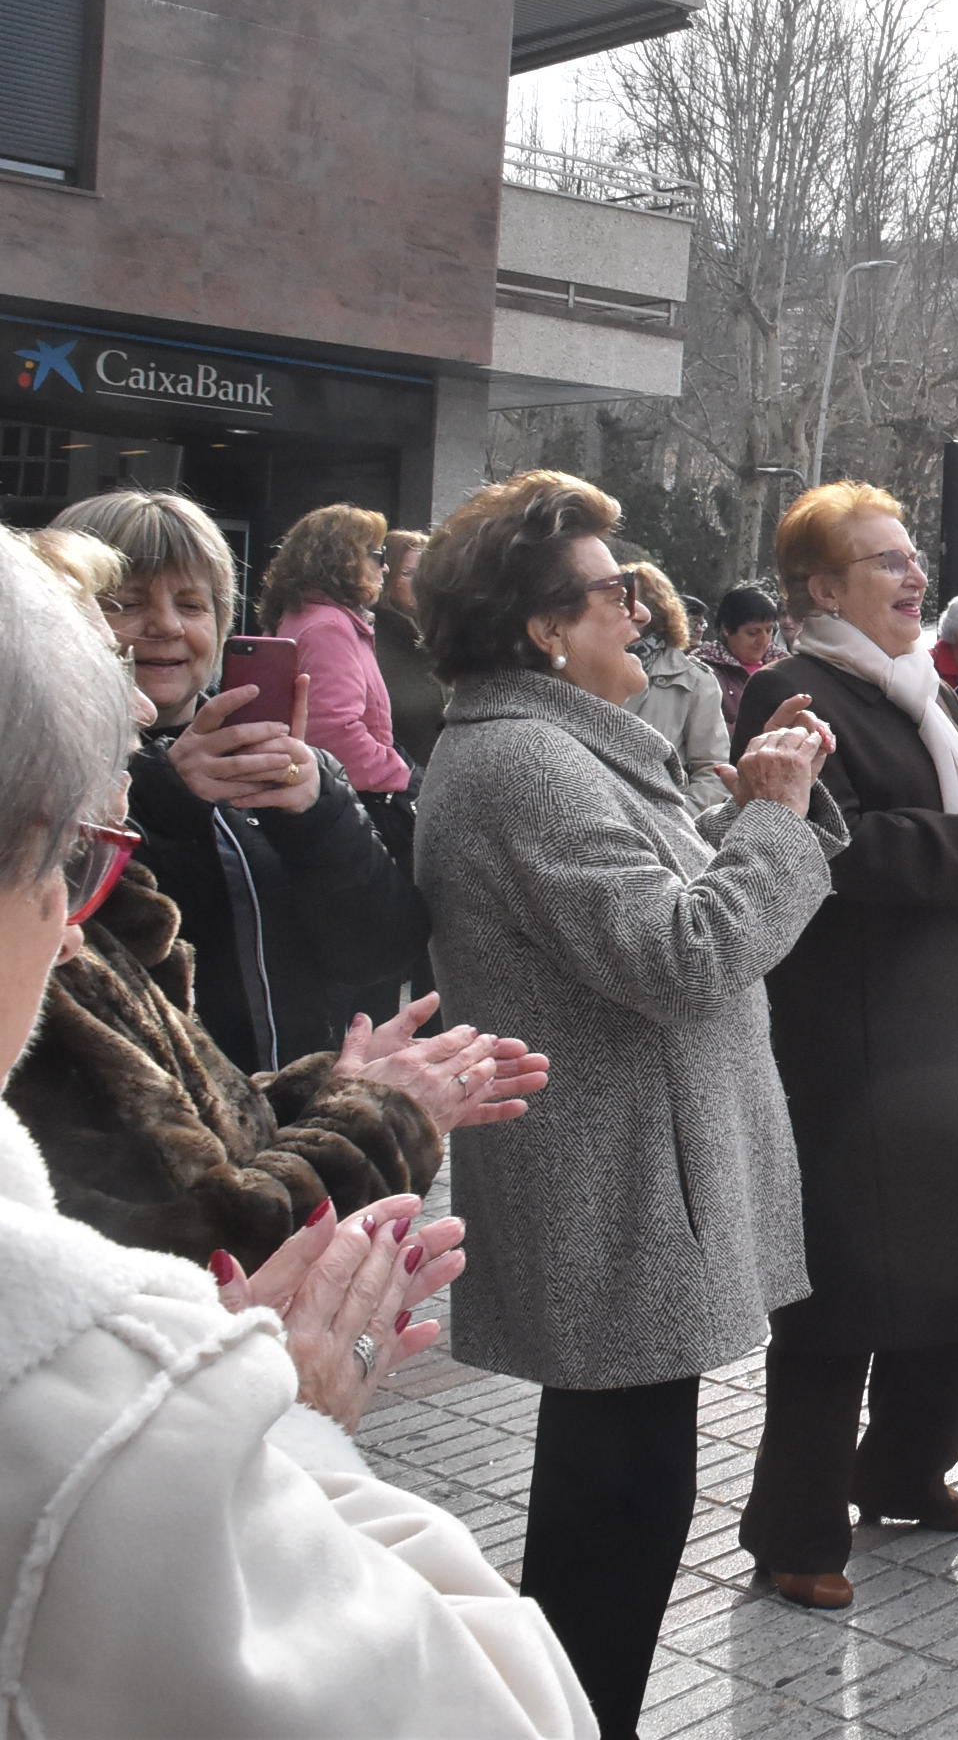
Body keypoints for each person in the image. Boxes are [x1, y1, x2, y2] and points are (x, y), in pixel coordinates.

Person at [0, 525, 594, 1738]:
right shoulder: (87, 1384)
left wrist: (332, 1081)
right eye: (74, 859)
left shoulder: (230, 779)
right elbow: (491, 1706)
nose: (73, 928)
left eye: (188, 601)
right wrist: (283, 1417)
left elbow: (342, 957)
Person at [414, 468, 844, 1736]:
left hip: (636, 1170)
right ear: (543, 625)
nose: (644, 617)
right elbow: (676, 951)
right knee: (614, 1514)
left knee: (621, 1493)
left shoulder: (553, 747)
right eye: (613, 594)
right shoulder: (527, 763)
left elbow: (637, 905)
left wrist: (741, 804)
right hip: (613, 1182)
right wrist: (769, 818)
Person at [732, 483, 958, 1607]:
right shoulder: (793, 689)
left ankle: (908, 1472)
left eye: (910, 554)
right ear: (821, 588)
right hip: (854, 1034)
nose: (909, 573)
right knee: (842, 1294)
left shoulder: (923, 688)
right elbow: (820, 847)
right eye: (880, 560)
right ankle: (793, 1527)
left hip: (954, 1018)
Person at [59, 487, 429, 1074]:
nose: (165, 625)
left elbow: (380, 954)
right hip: (146, 1138)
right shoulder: (38, 768)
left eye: (192, 604)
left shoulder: (289, 764)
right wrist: (164, 793)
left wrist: (319, 816)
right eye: (126, 602)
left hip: (287, 1121)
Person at [258, 503, 414, 834]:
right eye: (378, 554)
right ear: (343, 560)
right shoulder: (328, 626)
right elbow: (333, 733)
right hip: (354, 803)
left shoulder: (304, 615)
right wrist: (404, 778)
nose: (384, 568)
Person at [622, 565, 733, 812]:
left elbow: (713, 770)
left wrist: (679, 819)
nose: (622, 610)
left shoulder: (695, 680)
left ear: (654, 612)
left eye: (627, 601)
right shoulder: (589, 667)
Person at [374, 527, 446, 772]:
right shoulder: (372, 634)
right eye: (409, 574)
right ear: (387, 574)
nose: (421, 584)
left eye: (426, 574)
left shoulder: (439, 631)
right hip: (396, 784)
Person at [700, 583, 787, 729]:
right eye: (753, 633)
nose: (763, 640)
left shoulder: (784, 665)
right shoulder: (703, 671)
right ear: (727, 629)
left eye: (769, 630)